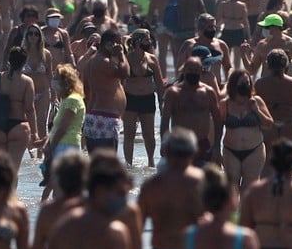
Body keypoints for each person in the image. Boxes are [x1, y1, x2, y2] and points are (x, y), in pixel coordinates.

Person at [0, 47, 39, 180]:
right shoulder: (27, 82)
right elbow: (29, 109)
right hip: (18, 126)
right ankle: (10, 198)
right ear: (24, 62)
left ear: (9, 60)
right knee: (13, 171)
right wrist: (35, 133)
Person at [161, 57, 223, 166]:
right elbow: (165, 120)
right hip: (179, 145)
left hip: (202, 144)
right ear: (184, 70)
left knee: (203, 180)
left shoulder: (208, 92)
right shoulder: (173, 93)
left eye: (196, 70)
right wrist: (164, 143)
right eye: (190, 70)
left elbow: (218, 119)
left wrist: (217, 145)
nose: (193, 73)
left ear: (201, 71)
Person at [222, 69, 274, 193]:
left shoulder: (257, 101)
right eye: (241, 83)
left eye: (247, 82)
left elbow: (269, 124)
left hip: (254, 150)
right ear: (234, 85)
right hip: (231, 150)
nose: (245, 86)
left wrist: (256, 111)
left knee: (250, 187)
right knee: (231, 187)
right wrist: (215, 149)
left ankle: (247, 212)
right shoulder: (225, 104)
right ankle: (233, 212)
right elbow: (218, 127)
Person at [41, 64, 86, 199]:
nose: (53, 81)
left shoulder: (73, 100)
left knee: (60, 183)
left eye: (56, 78)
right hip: (61, 143)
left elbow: (63, 127)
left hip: (66, 144)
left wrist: (51, 147)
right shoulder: (66, 99)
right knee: (55, 181)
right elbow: (56, 127)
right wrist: (47, 143)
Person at [82, 29, 129, 153]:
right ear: (110, 44)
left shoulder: (90, 62)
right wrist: (121, 55)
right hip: (105, 119)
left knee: (97, 165)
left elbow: (86, 90)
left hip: (94, 116)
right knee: (108, 165)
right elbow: (125, 73)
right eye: (119, 44)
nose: (120, 47)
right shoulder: (103, 61)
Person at [122, 29, 164, 167]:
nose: (149, 42)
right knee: (129, 134)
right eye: (146, 40)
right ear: (138, 41)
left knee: (149, 135)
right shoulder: (127, 58)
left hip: (147, 99)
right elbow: (120, 83)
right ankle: (129, 164)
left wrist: (161, 102)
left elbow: (159, 82)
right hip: (130, 99)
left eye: (149, 39)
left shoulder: (152, 59)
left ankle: (151, 162)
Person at [21, 24, 54, 148]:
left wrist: (54, 94)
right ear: (27, 36)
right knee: (28, 124)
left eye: (36, 34)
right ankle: (30, 151)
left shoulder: (46, 54)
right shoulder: (22, 53)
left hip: (43, 92)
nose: (33, 36)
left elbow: (50, 75)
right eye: (30, 33)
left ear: (40, 36)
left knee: (41, 122)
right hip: (27, 93)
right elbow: (16, 73)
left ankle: (42, 153)